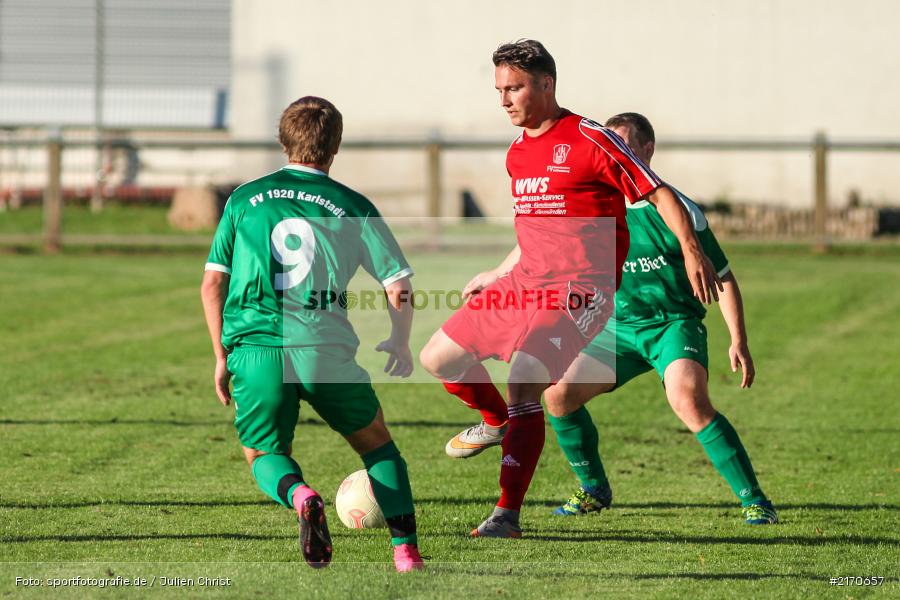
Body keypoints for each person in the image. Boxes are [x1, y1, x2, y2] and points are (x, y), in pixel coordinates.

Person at [419, 40, 722, 539]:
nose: (504, 100)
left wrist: (691, 248)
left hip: (582, 289)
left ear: (546, 84)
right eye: (499, 89)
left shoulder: (591, 138)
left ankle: (506, 514)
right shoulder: (517, 152)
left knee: (525, 380)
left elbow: (657, 191)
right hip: (526, 283)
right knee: (438, 358)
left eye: (514, 87)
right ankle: (496, 422)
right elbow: (537, 226)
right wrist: (499, 273)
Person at [200, 96, 424, 572]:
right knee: (377, 444)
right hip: (325, 349)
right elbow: (399, 286)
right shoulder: (353, 205)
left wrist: (222, 356)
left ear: (284, 141)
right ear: (335, 146)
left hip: (257, 349)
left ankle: (301, 496)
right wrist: (400, 339)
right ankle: (406, 555)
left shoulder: (244, 198)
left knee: (263, 451)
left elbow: (212, 283)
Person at [543, 112, 778, 525]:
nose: (615, 155)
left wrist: (737, 339)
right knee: (558, 394)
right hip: (617, 329)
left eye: (624, 145)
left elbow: (722, 277)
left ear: (647, 149)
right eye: (608, 147)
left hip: (673, 326)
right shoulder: (595, 204)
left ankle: (755, 500)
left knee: (689, 401)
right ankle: (594, 488)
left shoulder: (678, 210)